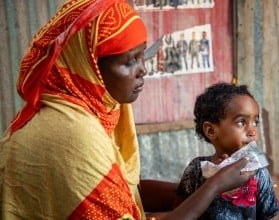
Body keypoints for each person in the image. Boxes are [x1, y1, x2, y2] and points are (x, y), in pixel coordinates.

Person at [0, 1, 254, 219]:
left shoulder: (96, 109)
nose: (143, 69)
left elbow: (121, 191)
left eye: (142, 56)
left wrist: (192, 190)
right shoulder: (73, 136)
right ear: (91, 67)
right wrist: (214, 187)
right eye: (130, 61)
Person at [176, 82, 279, 219]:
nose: (252, 131)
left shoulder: (257, 171)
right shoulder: (197, 168)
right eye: (241, 122)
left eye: (255, 122)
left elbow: (267, 214)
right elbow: (182, 208)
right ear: (211, 130)